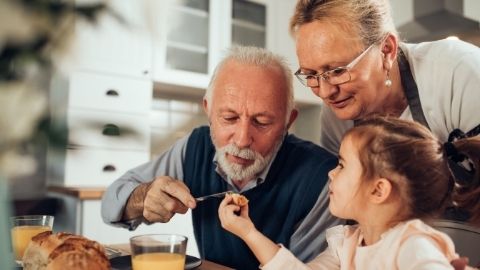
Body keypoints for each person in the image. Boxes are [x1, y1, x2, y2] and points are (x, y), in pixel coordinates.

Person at [101, 46, 339, 269]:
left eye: (262, 122)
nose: (243, 139)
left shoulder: (323, 179)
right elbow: (111, 203)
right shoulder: (195, 147)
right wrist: (143, 197)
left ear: (288, 122)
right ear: (208, 110)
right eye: (229, 118)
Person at [218, 116, 480, 270]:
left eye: (341, 165)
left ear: (378, 190)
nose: (331, 173)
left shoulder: (412, 246)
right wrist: (248, 232)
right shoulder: (347, 243)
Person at [288, 0, 480, 156]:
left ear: (387, 50)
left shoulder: (457, 71)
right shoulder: (336, 117)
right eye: (311, 75)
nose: (325, 92)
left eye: (338, 71)